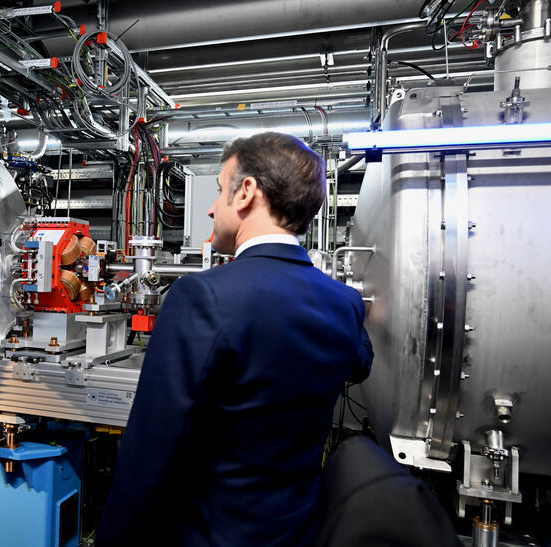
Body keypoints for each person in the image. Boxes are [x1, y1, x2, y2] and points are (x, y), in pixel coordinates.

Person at [97, 132, 373, 546]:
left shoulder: (203, 296)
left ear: (246, 192)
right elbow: (360, 362)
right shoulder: (344, 304)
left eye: (219, 190)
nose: (211, 208)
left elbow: (151, 452)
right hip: (297, 532)